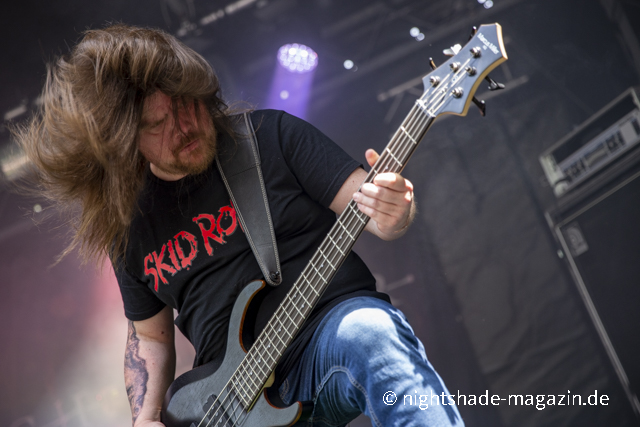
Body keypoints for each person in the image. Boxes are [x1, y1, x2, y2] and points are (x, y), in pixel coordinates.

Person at [13, 24, 464, 427]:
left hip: (329, 340)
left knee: (371, 332)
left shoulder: (271, 137)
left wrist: (394, 209)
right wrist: (145, 418)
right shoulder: (128, 225)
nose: (183, 127)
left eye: (186, 105)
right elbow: (149, 334)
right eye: (158, 123)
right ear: (127, 142)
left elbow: (372, 208)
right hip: (231, 407)